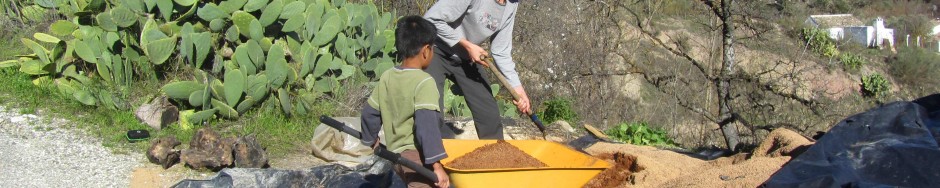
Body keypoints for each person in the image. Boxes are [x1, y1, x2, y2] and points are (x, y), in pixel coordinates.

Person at [359, 16, 450, 188]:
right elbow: (426, 126)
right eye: (433, 49)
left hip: (395, 156)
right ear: (426, 50)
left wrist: (371, 139)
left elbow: (370, 112)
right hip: (416, 158)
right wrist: (437, 166)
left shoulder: (387, 76)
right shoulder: (424, 82)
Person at [424, 0, 530, 139]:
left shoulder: (512, 4)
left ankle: (495, 157)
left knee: (489, 113)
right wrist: (467, 45)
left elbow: (501, 51)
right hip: (435, 50)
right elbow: (431, 19)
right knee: (431, 110)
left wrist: (517, 88)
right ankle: (430, 157)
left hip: (467, 57)